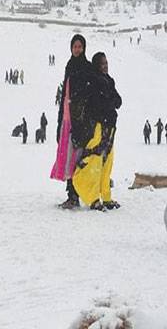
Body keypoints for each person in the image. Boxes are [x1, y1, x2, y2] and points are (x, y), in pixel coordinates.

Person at [72, 52, 122, 210]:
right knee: (95, 161)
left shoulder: (109, 81)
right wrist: (109, 102)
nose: (105, 66)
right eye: (102, 64)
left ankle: (106, 196)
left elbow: (118, 101)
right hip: (99, 127)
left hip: (110, 127)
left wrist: (109, 101)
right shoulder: (93, 82)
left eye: (106, 63)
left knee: (107, 161)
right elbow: (100, 105)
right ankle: (93, 198)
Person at [52, 34, 92, 209]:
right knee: (68, 158)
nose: (77, 49)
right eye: (75, 46)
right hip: (67, 119)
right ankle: (71, 194)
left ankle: (75, 195)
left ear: (84, 48)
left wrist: (82, 121)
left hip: (79, 121)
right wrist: (60, 120)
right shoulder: (69, 66)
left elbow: (88, 97)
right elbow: (65, 96)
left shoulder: (87, 68)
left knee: (76, 158)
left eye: (80, 47)